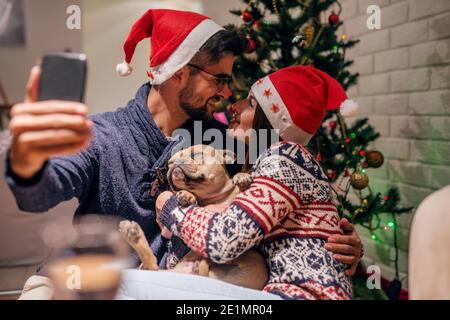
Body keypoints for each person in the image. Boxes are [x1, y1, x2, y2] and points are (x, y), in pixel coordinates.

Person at [5, 9, 361, 299]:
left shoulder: (229, 145)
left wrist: (341, 244)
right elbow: (37, 194)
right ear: (178, 72)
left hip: (185, 291)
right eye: (218, 79)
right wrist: (26, 161)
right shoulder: (104, 134)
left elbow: (283, 203)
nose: (226, 93)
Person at [155, 66, 360, 300]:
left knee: (133, 286)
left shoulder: (285, 158)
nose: (235, 105)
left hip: (300, 296)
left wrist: (171, 208)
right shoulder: (261, 162)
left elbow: (224, 241)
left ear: (272, 121)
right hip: (275, 293)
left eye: (250, 104)